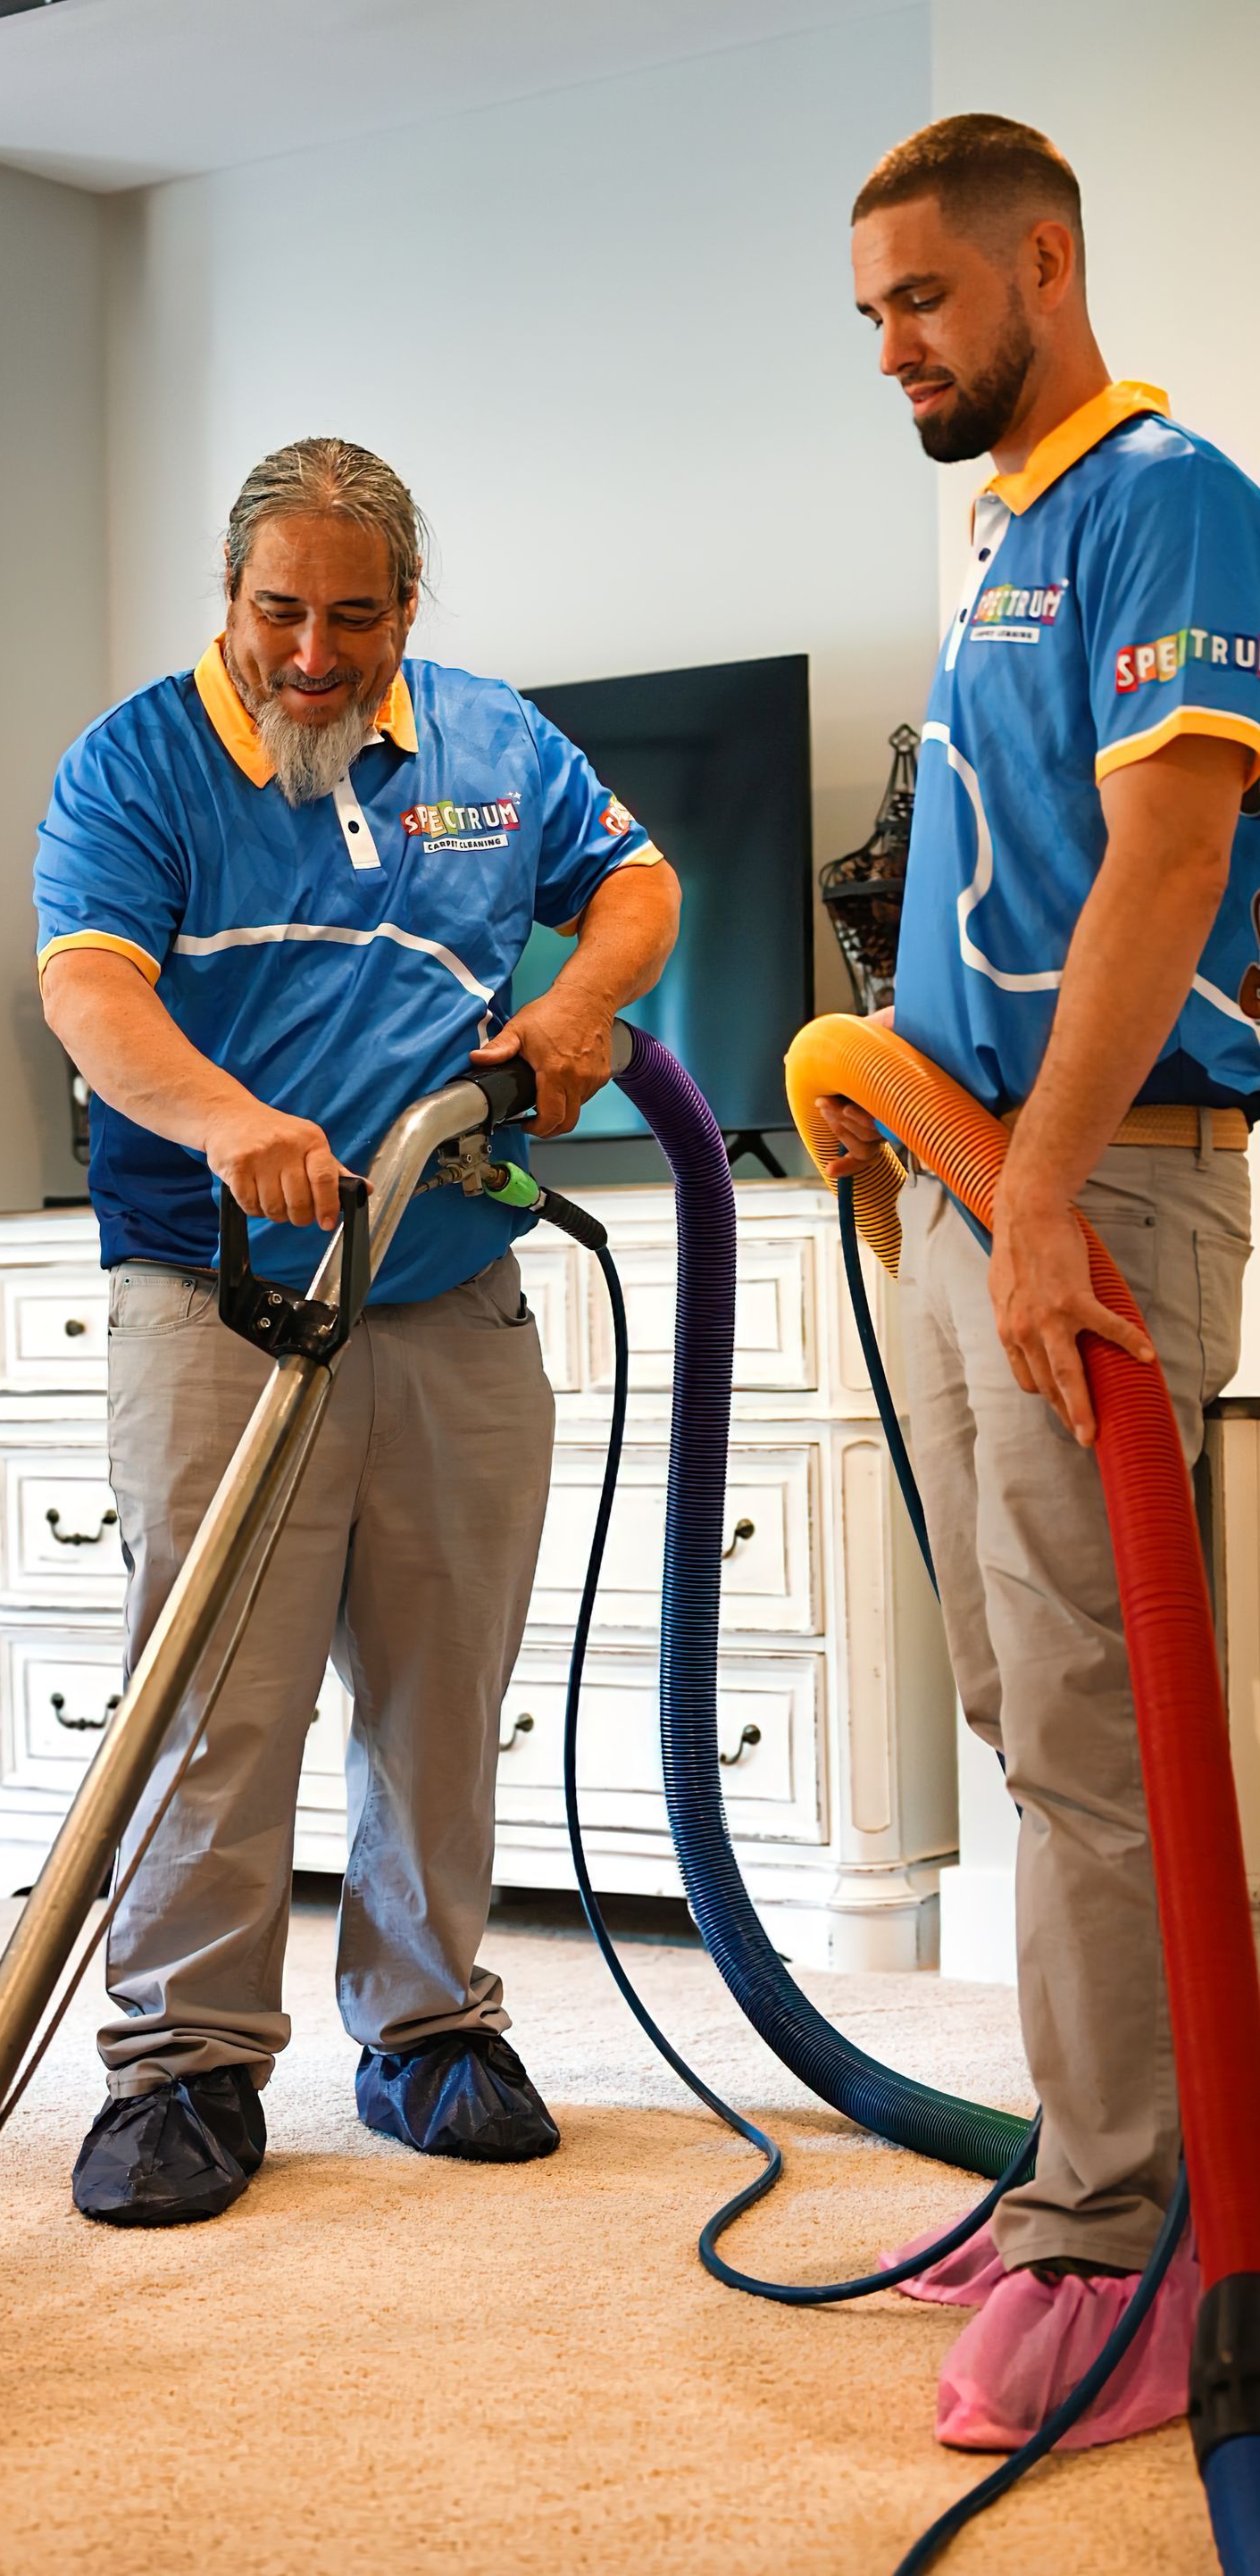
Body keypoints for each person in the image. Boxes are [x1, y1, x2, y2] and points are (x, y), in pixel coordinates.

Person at [35, 438, 680, 2226]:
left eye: (352, 616)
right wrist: (226, 1117)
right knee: (215, 1700)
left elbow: (639, 888)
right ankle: (183, 2064)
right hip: (221, 1288)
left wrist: (568, 1007)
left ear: (408, 608)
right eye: (277, 612)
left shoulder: (492, 745)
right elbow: (88, 982)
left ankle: (426, 2026)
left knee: (439, 1685)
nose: (311, 655)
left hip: (449, 1280)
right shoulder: (137, 760)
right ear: (227, 599)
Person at [824, 113, 1260, 2450]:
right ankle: (1108, 2163)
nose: (891, 347)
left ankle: (1140, 2242)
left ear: (1043, 266)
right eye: (872, 315)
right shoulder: (1009, 531)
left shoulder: (1168, 494)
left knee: (1103, 1733)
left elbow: (1173, 845)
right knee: (1025, 1709)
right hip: (976, 1185)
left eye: (922, 301)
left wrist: (1053, 1189)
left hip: (1096, 1196)